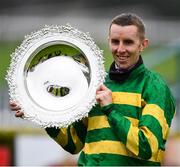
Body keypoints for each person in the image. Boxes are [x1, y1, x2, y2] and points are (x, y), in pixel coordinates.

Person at [10, 13, 176, 166]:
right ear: (109, 40)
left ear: (143, 45)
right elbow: (73, 143)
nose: (120, 49)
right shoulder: (94, 84)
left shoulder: (155, 87)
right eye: (115, 41)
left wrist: (111, 110)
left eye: (128, 42)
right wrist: (39, 113)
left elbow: (147, 148)